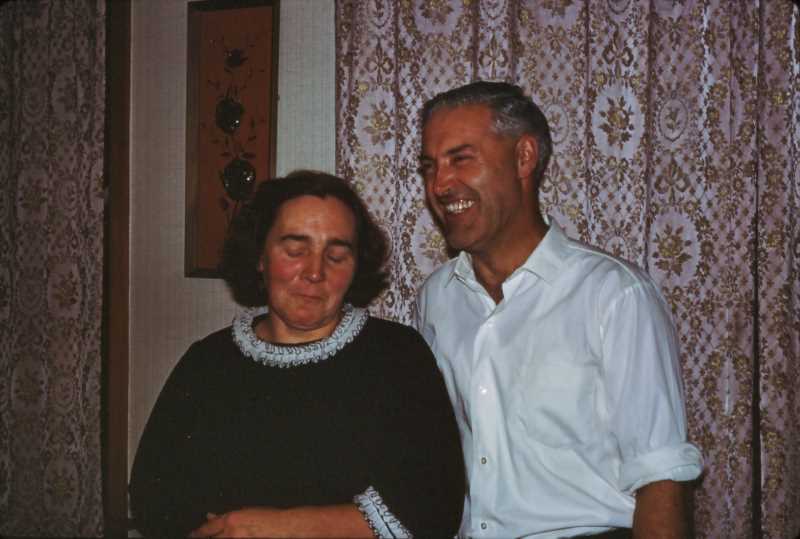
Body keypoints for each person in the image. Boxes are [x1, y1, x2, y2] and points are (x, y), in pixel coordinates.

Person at [415, 81, 703, 538]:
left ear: (524, 157)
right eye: (430, 166)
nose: (439, 185)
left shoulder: (614, 295)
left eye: (461, 159)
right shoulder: (437, 298)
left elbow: (660, 477)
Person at [130, 170, 465, 538]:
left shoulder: (398, 356)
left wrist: (277, 527)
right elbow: (153, 499)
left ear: (356, 267)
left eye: (336, 255)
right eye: (295, 251)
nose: (315, 272)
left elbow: (433, 507)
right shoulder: (206, 363)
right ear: (260, 256)